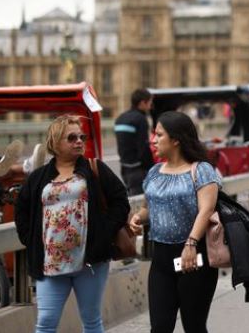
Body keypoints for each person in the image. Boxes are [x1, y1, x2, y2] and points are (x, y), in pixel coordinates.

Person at [14, 115, 130, 333]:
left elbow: (120, 201)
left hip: (90, 263)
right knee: (46, 321)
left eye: (81, 137)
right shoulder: (39, 177)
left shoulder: (94, 169)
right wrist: (29, 239)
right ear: (55, 143)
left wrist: (104, 232)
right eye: (72, 137)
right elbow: (21, 209)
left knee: (91, 320)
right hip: (50, 263)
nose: (79, 141)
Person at [127, 111, 222, 333]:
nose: (153, 140)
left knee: (194, 326)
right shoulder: (154, 172)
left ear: (176, 140)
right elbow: (149, 208)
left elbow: (206, 210)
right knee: (159, 327)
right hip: (160, 258)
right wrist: (138, 217)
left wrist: (190, 243)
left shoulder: (202, 170)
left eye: (159, 135)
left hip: (194, 256)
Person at [114, 88, 155, 196]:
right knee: (140, 203)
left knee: (132, 199)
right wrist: (152, 167)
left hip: (125, 168)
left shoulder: (120, 118)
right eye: (150, 102)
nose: (151, 106)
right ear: (143, 103)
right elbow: (143, 147)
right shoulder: (140, 119)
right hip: (137, 170)